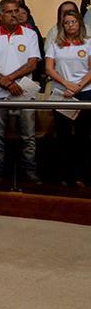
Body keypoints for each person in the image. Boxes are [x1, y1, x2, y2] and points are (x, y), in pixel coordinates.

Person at [0, 0, 41, 182]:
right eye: (9, 12)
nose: (14, 14)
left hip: (24, 92)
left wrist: (9, 79)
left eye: (16, 11)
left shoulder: (30, 35)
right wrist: (4, 81)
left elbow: (32, 63)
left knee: (28, 136)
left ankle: (29, 169)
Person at [44, 10, 91, 186]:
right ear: (62, 26)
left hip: (85, 92)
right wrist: (66, 84)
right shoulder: (56, 45)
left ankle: (82, 175)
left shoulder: (88, 43)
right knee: (62, 136)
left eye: (73, 22)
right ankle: (64, 176)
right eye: (66, 23)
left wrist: (77, 86)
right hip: (61, 93)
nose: (70, 25)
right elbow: (49, 69)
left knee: (83, 136)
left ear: (79, 23)